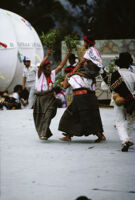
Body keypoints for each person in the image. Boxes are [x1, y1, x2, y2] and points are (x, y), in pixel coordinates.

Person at [58, 63, 106, 142]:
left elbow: (65, 86)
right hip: (90, 98)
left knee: (84, 117)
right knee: (81, 116)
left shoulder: (74, 77)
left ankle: (100, 135)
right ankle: (68, 135)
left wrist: (67, 76)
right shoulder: (91, 78)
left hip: (81, 98)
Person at [33, 50, 71, 140]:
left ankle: (43, 134)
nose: (49, 69)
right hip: (40, 99)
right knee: (40, 117)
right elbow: (40, 66)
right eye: (47, 67)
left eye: (50, 67)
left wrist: (67, 55)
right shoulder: (39, 75)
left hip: (50, 99)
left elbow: (61, 66)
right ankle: (45, 132)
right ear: (44, 69)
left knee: (48, 115)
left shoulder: (53, 74)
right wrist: (47, 56)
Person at [102, 52, 135, 152]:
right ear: (129, 63)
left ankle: (124, 140)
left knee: (119, 121)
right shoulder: (133, 75)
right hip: (131, 101)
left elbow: (103, 87)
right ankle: (128, 139)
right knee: (130, 121)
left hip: (118, 101)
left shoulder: (113, 76)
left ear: (119, 63)